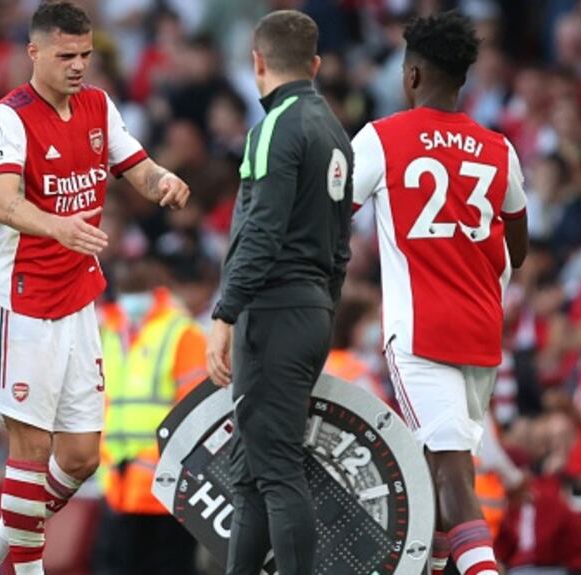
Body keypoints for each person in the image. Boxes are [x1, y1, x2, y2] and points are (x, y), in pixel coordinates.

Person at [0, 3, 190, 574]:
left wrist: (164, 181)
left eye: (85, 54)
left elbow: (138, 167)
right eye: (66, 56)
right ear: (34, 53)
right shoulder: (7, 118)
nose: (79, 65)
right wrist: (59, 226)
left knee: (81, 457)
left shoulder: (98, 106)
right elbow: (3, 203)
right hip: (21, 301)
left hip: (79, 299)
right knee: (31, 452)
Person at [350, 11, 528, 575]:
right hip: (482, 332)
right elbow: (518, 244)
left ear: (412, 76)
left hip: (421, 334)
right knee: (432, 467)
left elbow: (329, 217)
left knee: (452, 471)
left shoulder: (381, 139)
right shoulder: (499, 149)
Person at [205, 10, 353, 575]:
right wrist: (320, 308)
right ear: (315, 65)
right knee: (251, 472)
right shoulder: (336, 133)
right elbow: (341, 248)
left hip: (273, 312)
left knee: (276, 471)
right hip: (310, 309)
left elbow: (261, 231)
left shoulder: (275, 127)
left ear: (257, 62)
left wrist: (225, 313)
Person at [97, 256, 205, 575]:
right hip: (119, 482)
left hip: (167, 486)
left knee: (168, 566)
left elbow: (194, 413)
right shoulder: (111, 333)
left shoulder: (181, 333)